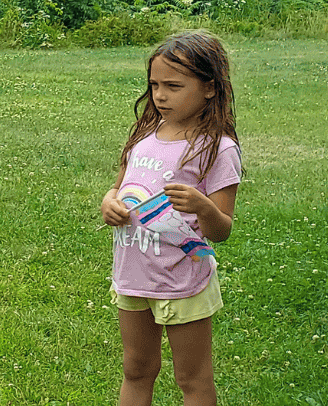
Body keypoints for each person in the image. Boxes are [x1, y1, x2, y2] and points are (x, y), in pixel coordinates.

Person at [98, 31, 240, 406]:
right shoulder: (145, 135)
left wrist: (203, 207)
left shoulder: (217, 149)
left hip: (183, 280)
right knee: (136, 370)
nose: (160, 95)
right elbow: (118, 188)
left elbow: (221, 229)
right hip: (133, 277)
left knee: (191, 378)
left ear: (209, 88)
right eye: (154, 85)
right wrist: (109, 202)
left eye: (174, 86)